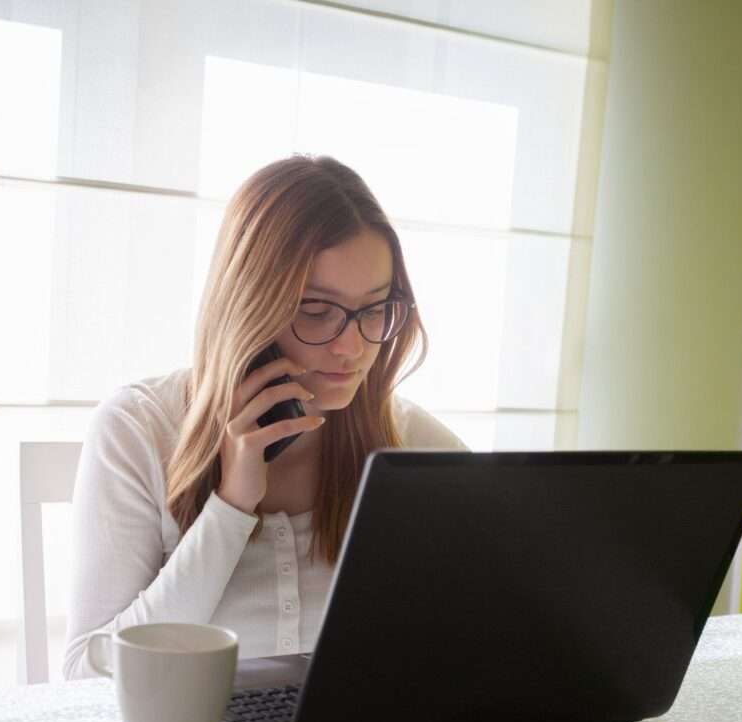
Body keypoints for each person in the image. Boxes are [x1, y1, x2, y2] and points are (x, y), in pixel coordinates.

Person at [63, 155, 467, 678]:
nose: (352, 347)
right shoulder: (137, 428)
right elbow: (83, 677)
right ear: (249, 305)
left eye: (374, 309)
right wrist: (230, 508)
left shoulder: (406, 438)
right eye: (317, 310)